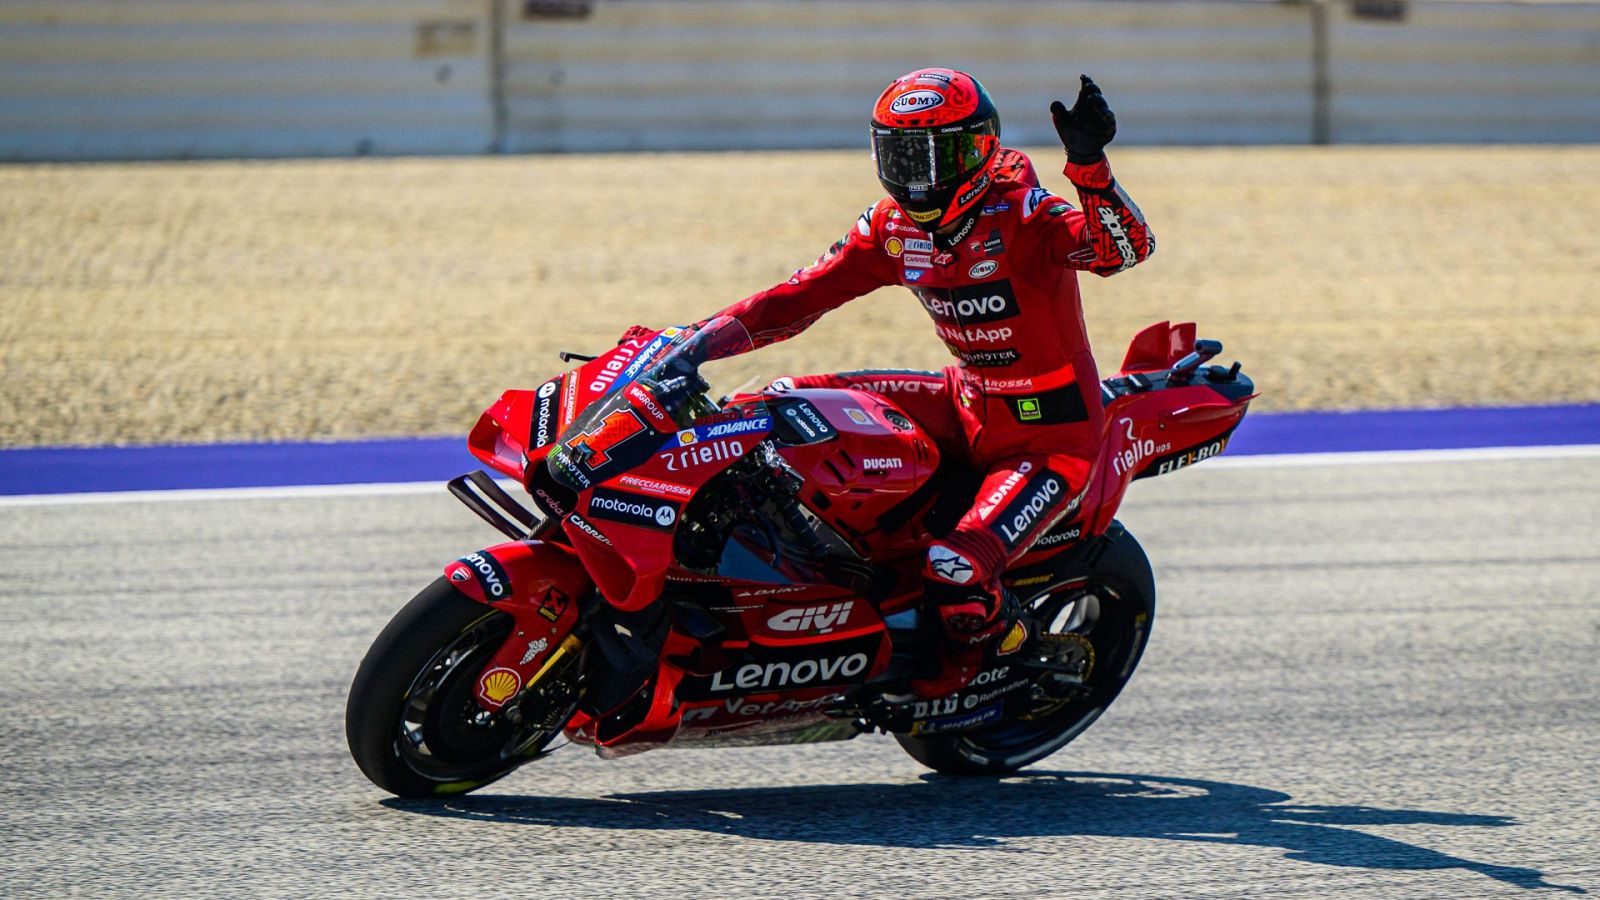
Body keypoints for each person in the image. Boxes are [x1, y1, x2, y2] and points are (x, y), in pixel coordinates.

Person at [706, 68, 1155, 698]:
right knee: (772, 404)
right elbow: (793, 299)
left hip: (1049, 439)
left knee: (955, 570)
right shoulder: (891, 228)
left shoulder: (1025, 216)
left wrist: (1088, 164)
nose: (915, 172)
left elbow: (1124, 250)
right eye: (899, 153)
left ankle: (972, 671)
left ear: (975, 151)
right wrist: (690, 345)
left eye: (932, 153)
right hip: (964, 399)